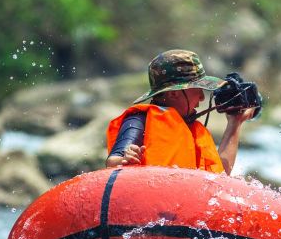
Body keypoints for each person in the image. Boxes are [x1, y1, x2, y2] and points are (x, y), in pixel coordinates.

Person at [105, 49, 256, 175]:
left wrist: (235, 123)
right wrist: (126, 158)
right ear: (173, 93)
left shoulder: (192, 129)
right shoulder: (139, 119)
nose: (203, 98)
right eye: (197, 90)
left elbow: (220, 175)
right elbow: (113, 162)